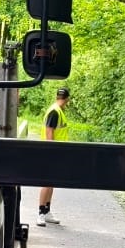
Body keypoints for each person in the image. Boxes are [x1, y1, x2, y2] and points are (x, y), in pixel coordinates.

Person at [37, 86, 71, 226]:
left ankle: (47, 211)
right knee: (47, 182)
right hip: (50, 151)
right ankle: (40, 213)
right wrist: (51, 150)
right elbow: (49, 131)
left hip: (56, 152)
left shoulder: (57, 110)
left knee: (51, 182)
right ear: (67, 99)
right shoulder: (55, 111)